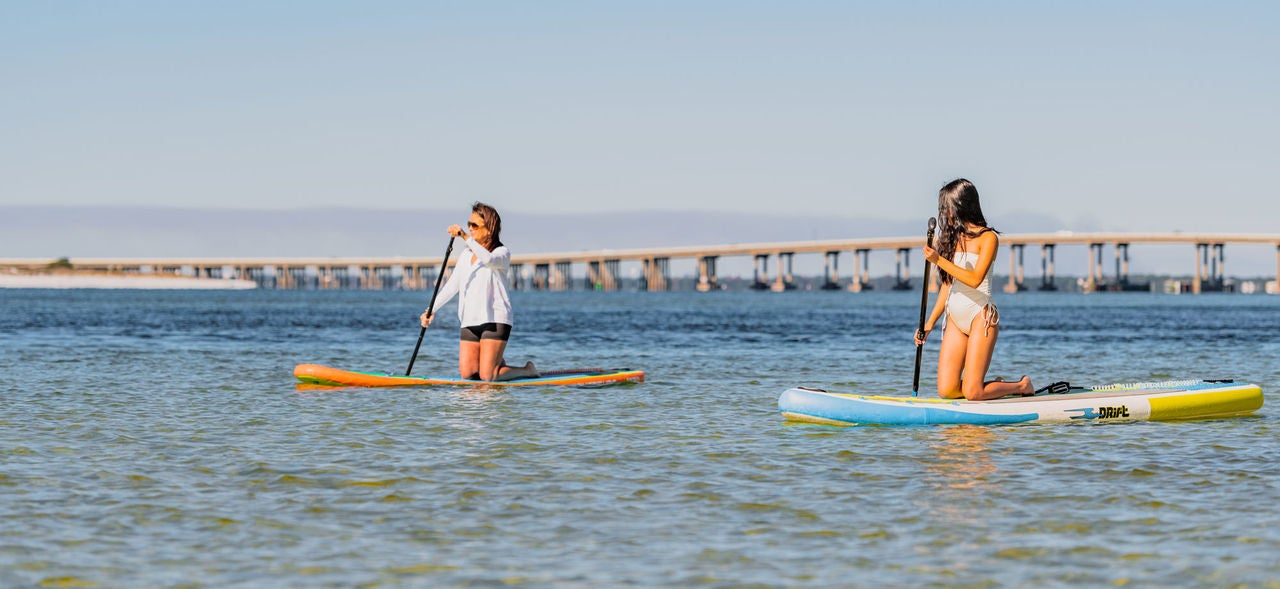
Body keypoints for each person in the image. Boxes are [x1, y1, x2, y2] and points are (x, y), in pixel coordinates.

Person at [914, 179, 1033, 400]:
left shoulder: (988, 238)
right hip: (956, 318)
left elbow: (975, 279)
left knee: (972, 392)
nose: (944, 212)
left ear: (962, 205)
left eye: (947, 206)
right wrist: (928, 324)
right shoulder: (950, 239)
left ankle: (1021, 386)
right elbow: (947, 285)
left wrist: (938, 259)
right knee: (947, 390)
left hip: (981, 316)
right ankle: (991, 388)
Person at [419, 202, 538, 382]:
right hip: (470, 319)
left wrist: (465, 237)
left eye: (475, 225)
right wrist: (430, 309)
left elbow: (488, 259)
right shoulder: (466, 255)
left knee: (487, 376)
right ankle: (497, 362)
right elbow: (452, 285)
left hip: (495, 319)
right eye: (469, 224)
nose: (470, 228)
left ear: (489, 229)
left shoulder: (502, 253)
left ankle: (527, 370)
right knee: (468, 374)